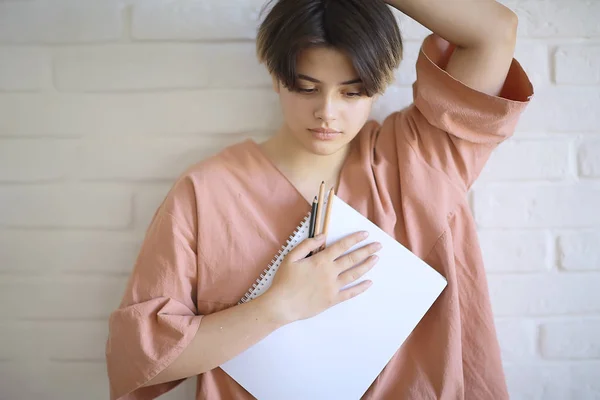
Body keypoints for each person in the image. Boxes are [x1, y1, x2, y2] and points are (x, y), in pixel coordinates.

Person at [105, 0, 534, 398]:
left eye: (352, 92)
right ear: (276, 76)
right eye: (306, 88)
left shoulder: (420, 160)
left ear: (382, 83)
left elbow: (494, 31)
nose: (327, 112)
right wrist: (278, 306)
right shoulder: (206, 192)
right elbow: (143, 361)